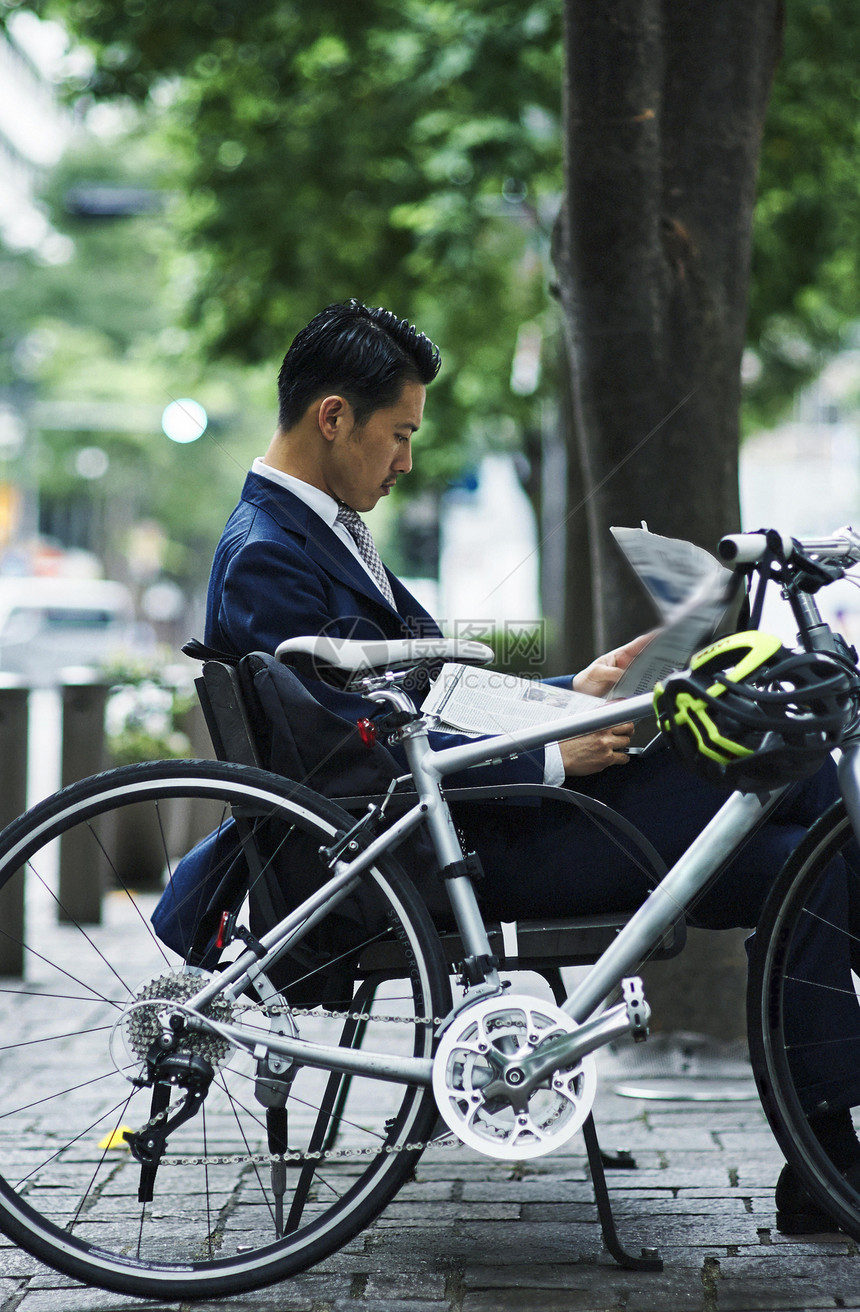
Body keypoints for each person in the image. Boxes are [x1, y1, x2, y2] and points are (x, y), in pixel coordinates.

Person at [192, 299, 858, 1230]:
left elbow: (417, 703)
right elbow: (349, 760)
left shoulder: (304, 532)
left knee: (805, 859)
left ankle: (824, 1162)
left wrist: (565, 692)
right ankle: (829, 1152)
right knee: (806, 776)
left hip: (473, 825)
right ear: (332, 415)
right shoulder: (272, 553)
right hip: (452, 853)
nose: (406, 462)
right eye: (398, 434)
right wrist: (552, 756)